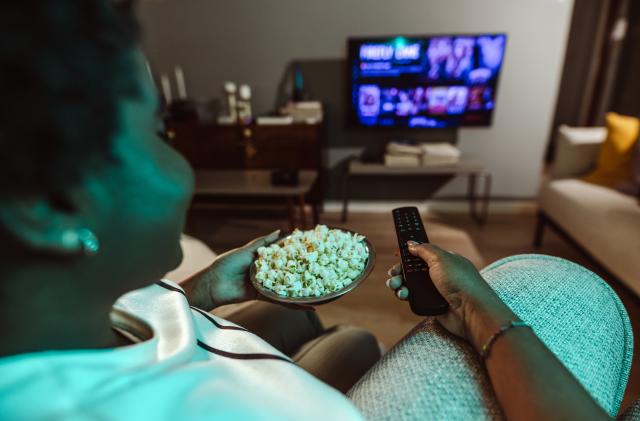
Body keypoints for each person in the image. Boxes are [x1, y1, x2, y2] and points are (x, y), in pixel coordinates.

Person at [0, 1, 615, 420]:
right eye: (158, 135)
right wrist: (485, 310)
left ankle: (332, 338)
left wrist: (201, 289)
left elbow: (122, 324)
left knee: (332, 330)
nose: (181, 167)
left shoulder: (55, 321)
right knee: (550, 283)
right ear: (50, 205)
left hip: (214, 345)